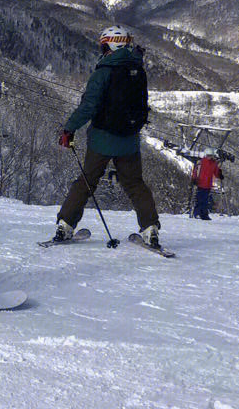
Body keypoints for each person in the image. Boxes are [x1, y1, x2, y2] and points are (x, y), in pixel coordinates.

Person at [52, 26, 162, 249]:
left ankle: (65, 226)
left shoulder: (103, 72)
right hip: (129, 140)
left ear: (111, 45)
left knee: (86, 182)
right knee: (135, 184)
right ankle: (150, 229)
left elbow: (88, 107)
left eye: (103, 45)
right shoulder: (138, 70)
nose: (101, 50)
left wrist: (69, 129)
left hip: (101, 139)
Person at [191, 149, 222, 220]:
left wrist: (219, 174)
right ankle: (198, 213)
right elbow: (196, 171)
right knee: (200, 200)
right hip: (200, 183)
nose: (209, 157)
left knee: (204, 200)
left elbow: (216, 172)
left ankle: (203, 214)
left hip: (207, 185)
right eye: (208, 156)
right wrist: (194, 179)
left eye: (210, 156)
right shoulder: (201, 162)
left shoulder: (213, 164)